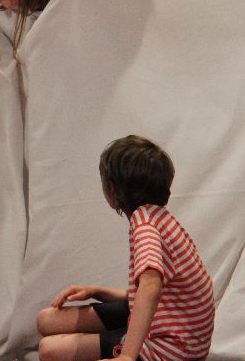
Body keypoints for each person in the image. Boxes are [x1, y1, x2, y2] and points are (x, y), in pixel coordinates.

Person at [36, 135, 214, 361]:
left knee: (49, 350)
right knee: (45, 319)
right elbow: (163, 294)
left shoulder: (145, 225)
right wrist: (98, 291)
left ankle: (126, 347)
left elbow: (151, 286)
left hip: (172, 349)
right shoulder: (158, 216)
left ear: (113, 190)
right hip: (168, 322)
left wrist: (127, 356)